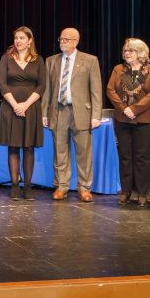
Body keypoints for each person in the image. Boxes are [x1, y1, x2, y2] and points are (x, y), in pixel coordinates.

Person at [41, 27, 102, 202]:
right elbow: (47, 90)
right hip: (58, 111)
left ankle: (84, 188)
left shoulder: (90, 60)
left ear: (76, 41)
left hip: (81, 112)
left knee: (83, 153)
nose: (62, 42)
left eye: (66, 39)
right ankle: (61, 186)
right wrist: (44, 112)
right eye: (60, 39)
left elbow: (96, 90)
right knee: (60, 151)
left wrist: (96, 115)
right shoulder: (51, 61)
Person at [106, 38, 150, 207]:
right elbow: (110, 90)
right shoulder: (118, 69)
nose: (126, 53)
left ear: (140, 53)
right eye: (125, 50)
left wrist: (135, 109)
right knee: (125, 156)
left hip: (144, 119)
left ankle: (142, 192)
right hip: (123, 119)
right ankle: (126, 191)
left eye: (131, 50)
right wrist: (124, 108)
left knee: (142, 158)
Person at [0, 26, 45, 201]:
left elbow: (41, 86)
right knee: (13, 146)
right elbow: (2, 84)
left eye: (22, 38)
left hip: (31, 108)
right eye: (16, 38)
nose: (18, 41)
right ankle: (15, 186)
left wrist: (25, 105)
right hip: (11, 107)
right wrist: (16, 105)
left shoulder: (38, 60)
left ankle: (28, 186)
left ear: (29, 40)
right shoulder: (6, 58)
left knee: (29, 147)